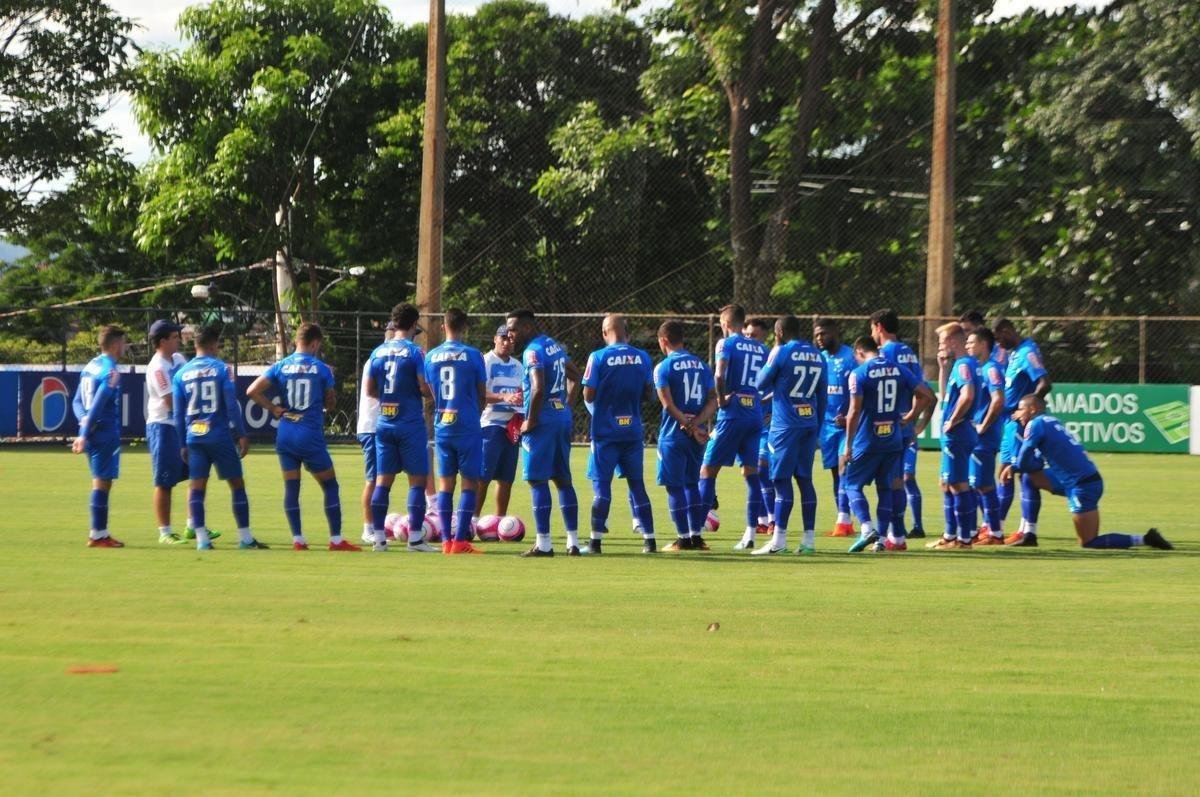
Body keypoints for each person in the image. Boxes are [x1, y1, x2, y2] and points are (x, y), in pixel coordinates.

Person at [1005, 395, 1171, 550]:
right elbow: (1035, 462)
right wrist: (1022, 466)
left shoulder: (1035, 424)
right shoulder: (1051, 421)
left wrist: (1013, 467)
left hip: (1082, 486)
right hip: (1076, 480)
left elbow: (1024, 460)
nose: (1017, 414)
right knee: (1029, 478)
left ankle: (1146, 539)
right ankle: (1029, 535)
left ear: (1033, 409)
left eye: (1020, 409)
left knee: (1089, 542)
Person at [247, 322, 358, 551]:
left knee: (291, 489)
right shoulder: (321, 368)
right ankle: (336, 540)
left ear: (297, 340)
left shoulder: (281, 366)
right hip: (309, 435)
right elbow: (330, 403)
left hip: (286, 432)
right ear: (315, 343)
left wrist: (274, 408)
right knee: (330, 486)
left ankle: (298, 539)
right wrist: (328, 398)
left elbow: (252, 391)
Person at [172, 326, 265, 550]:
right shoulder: (222, 369)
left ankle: (202, 540)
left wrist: (182, 444)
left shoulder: (180, 374)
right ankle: (245, 538)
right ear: (214, 345)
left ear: (195, 346)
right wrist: (241, 434)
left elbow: (177, 414)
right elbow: (231, 405)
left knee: (197, 487)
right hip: (219, 435)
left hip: (194, 436)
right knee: (236, 484)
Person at [843, 336, 935, 553]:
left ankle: (866, 527)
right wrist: (910, 416)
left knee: (851, 485)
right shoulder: (899, 369)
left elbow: (854, 411)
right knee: (885, 487)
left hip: (867, 438)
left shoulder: (859, 374)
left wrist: (848, 444)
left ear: (859, 352)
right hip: (893, 439)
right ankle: (882, 540)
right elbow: (926, 395)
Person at [506, 309, 583, 557]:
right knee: (563, 480)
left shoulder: (532, 351)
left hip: (542, 422)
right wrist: (566, 407)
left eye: (514, 329)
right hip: (560, 417)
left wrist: (530, 420)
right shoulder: (553, 345)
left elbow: (538, 388)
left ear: (527, 327)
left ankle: (544, 544)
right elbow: (576, 376)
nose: (510, 335)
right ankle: (572, 542)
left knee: (537, 479)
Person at [582, 313, 656, 554]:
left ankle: (595, 542)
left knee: (602, 485)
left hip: (605, 431)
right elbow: (648, 394)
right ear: (627, 331)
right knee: (637, 485)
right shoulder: (642, 357)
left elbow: (588, 395)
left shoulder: (598, 357)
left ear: (605, 333)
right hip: (633, 431)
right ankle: (650, 540)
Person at [753, 315, 827, 555]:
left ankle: (779, 541)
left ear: (780, 333)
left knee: (781, 481)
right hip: (810, 422)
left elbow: (760, 383)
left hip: (785, 425)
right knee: (805, 479)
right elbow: (822, 396)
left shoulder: (782, 352)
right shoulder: (817, 355)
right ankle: (809, 541)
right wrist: (816, 424)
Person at [698, 304, 770, 551]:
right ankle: (750, 533)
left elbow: (719, 375)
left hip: (733, 412)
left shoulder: (725, 344)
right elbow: (768, 386)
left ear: (726, 324)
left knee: (707, 471)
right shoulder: (762, 348)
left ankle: (695, 533)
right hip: (755, 414)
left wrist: (720, 399)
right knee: (751, 474)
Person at [366, 303, 435, 552]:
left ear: (394, 323)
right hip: (410, 424)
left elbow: (370, 390)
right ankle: (415, 539)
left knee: (383, 482)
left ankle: (379, 540)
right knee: (417, 482)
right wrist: (422, 393)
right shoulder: (416, 353)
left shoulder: (377, 352)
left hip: (384, 423)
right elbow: (424, 387)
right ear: (414, 323)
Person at [424, 308, 488, 555]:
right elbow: (482, 393)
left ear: (443, 327)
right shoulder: (473, 356)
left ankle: (446, 541)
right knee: (470, 483)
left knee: (445, 484)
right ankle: (460, 540)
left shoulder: (430, 357)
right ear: (465, 327)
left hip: (443, 425)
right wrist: (474, 412)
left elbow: (431, 392)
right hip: (468, 425)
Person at [653, 320, 718, 552]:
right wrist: (697, 423)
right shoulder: (702, 365)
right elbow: (713, 399)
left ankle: (682, 539)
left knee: (674, 486)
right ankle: (696, 537)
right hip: (697, 434)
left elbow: (667, 404)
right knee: (692, 484)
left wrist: (685, 423)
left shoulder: (663, 367)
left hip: (673, 433)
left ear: (663, 341)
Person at [870, 308, 931, 538]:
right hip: (906, 425)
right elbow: (925, 392)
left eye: (872, 329)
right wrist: (915, 420)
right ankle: (900, 531)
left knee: (890, 481)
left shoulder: (885, 353)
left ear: (878, 327)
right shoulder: (908, 352)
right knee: (901, 479)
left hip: (889, 424)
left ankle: (893, 533)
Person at [994, 318, 1052, 546]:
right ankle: (1002, 528)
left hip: (1020, 424)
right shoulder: (1015, 353)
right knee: (1005, 471)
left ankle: (1029, 531)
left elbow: (1045, 383)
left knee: (1025, 473)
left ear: (1007, 332)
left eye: (999, 338)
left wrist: (1029, 409)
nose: (999, 344)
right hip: (1010, 423)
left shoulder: (1028, 351)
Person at [71, 324, 128, 548]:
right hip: (103, 432)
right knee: (102, 483)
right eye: (123, 343)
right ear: (115, 345)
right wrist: (84, 433)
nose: (125, 347)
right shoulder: (111, 371)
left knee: (100, 481)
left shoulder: (89, 366)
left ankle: (99, 533)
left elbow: (77, 401)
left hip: (93, 430)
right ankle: (98, 535)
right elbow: (98, 403)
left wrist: (83, 424)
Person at [927, 322, 980, 550]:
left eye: (941, 342)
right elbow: (948, 394)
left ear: (951, 342)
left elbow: (967, 396)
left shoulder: (964, 365)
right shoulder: (958, 365)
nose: (939, 347)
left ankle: (965, 539)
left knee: (959, 485)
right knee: (947, 483)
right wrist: (942, 367)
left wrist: (953, 420)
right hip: (955, 433)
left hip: (958, 433)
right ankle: (950, 536)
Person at [145, 319, 199, 544]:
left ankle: (192, 526)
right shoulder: (157, 367)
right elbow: (170, 402)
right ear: (163, 340)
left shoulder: (178, 359)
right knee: (164, 481)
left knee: (195, 475)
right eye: (175, 337)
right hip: (163, 427)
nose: (179, 340)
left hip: (182, 426)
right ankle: (165, 532)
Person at [475, 323, 524, 522]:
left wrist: (520, 399)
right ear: (495, 339)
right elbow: (478, 393)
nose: (506, 342)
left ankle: (498, 521)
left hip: (511, 426)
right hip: (490, 424)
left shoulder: (518, 365)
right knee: (483, 476)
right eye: (502, 338)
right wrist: (504, 398)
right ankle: (473, 520)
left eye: (510, 339)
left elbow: (522, 392)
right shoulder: (485, 361)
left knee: (506, 478)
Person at [814, 317, 857, 537]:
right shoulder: (819, 358)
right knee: (835, 473)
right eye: (817, 335)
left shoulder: (850, 357)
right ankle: (844, 518)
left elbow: (859, 390)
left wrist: (850, 415)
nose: (820, 338)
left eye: (824, 333)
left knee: (844, 469)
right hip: (825, 426)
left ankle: (844, 520)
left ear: (835, 332)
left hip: (846, 425)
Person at [967, 327, 1006, 544]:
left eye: (971, 342)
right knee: (977, 483)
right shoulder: (977, 368)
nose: (968, 346)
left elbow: (998, 399)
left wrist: (984, 425)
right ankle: (980, 531)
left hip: (984, 436)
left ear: (983, 344)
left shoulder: (991, 369)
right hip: (975, 435)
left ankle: (995, 533)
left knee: (983, 484)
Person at [357, 321, 394, 544]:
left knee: (381, 479)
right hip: (373, 426)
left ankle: (374, 527)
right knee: (374, 479)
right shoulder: (378, 358)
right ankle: (368, 528)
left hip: (382, 425)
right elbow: (373, 392)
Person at [742, 317, 775, 533]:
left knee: (762, 468)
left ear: (763, 336)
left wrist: (764, 400)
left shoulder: (770, 356)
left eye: (754, 336)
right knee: (748, 472)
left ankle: (772, 518)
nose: (750, 339)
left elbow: (779, 387)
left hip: (765, 424)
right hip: (744, 422)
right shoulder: (741, 355)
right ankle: (761, 520)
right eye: (747, 335)